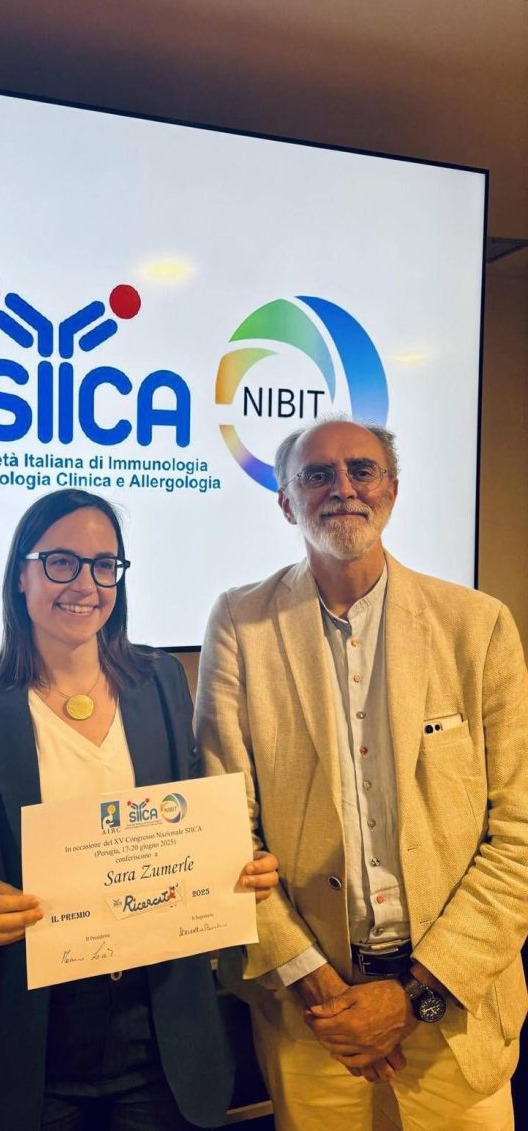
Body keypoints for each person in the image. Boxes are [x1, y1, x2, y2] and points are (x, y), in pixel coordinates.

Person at [196, 417, 528, 1130]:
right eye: (317, 475)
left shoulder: (478, 627)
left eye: (362, 470)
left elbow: (518, 837)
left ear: (392, 490)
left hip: (458, 1006)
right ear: (286, 502)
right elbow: (227, 833)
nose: (342, 488)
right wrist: (315, 985)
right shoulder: (239, 625)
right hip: (313, 1017)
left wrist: (413, 996)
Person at [0, 488, 279, 1131]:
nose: (85, 584)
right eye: (61, 562)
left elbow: (188, 825)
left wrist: (235, 865)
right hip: (32, 1037)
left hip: (160, 1026)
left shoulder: (160, 682)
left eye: (104, 565)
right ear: (21, 574)